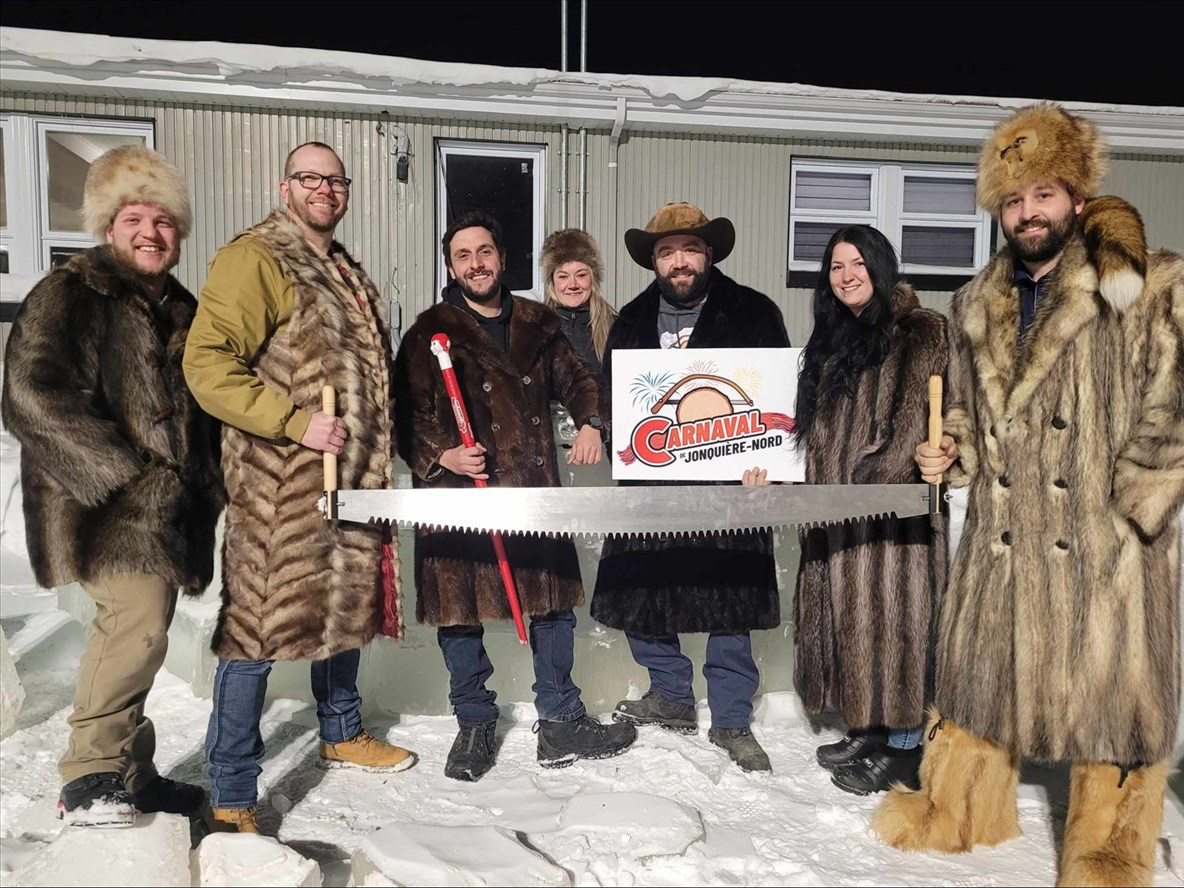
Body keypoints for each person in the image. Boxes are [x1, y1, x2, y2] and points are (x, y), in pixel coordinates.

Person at [873, 104, 1183, 888]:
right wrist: (953, 448)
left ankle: (1107, 856)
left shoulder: (1147, 282)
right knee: (977, 681)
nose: (1027, 212)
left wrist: (1140, 504)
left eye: (1042, 194)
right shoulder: (976, 302)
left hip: (1106, 544)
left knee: (1115, 705)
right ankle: (960, 813)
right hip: (1003, 541)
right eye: (1012, 201)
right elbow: (977, 415)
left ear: (1076, 197)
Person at [184, 141, 416, 834]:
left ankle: (341, 731)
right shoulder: (257, 257)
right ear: (285, 187)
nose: (324, 189)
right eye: (310, 178)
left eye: (335, 180)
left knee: (345, 610)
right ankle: (230, 792)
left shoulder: (342, 268)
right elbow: (207, 365)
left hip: (347, 483)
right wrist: (292, 423)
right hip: (280, 489)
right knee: (256, 633)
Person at [1, 145, 223, 826]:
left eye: (163, 221)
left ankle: (135, 774)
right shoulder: (72, 291)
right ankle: (90, 775)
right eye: (135, 218)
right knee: (135, 626)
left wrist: (212, 485)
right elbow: (28, 394)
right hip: (101, 507)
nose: (150, 233)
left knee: (147, 634)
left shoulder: (186, 308)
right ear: (108, 225)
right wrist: (122, 476)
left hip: (170, 511)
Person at [394, 211, 637, 781]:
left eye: (485, 252)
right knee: (461, 614)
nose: (475, 264)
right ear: (451, 266)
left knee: (552, 608)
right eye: (463, 255)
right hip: (459, 494)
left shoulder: (538, 323)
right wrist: (442, 454)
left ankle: (560, 719)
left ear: (502, 259)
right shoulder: (432, 331)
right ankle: (474, 723)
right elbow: (404, 413)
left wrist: (591, 422)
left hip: (531, 488)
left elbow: (578, 379)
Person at [591, 202, 790, 773]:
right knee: (639, 591)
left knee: (731, 602)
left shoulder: (754, 312)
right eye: (666, 252)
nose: (679, 261)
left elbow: (781, 399)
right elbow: (611, 395)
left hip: (733, 479)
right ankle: (671, 694)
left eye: (690, 249)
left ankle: (731, 721)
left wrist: (771, 461)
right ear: (654, 261)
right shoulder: (629, 320)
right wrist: (602, 428)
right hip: (652, 479)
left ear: (709, 254)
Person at [791, 225, 948, 795]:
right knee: (854, 624)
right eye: (836, 266)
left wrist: (859, 492)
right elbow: (816, 434)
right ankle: (869, 728)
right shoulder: (834, 340)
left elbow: (911, 428)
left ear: (881, 268)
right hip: (837, 514)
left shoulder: (920, 332)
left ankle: (904, 748)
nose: (847, 275)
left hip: (891, 516)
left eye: (857, 263)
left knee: (895, 626)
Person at [541, 228, 617, 373]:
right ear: (552, 281)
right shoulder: (533, 330)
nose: (573, 285)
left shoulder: (618, 329)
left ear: (593, 279)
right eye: (563, 276)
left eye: (581, 275)